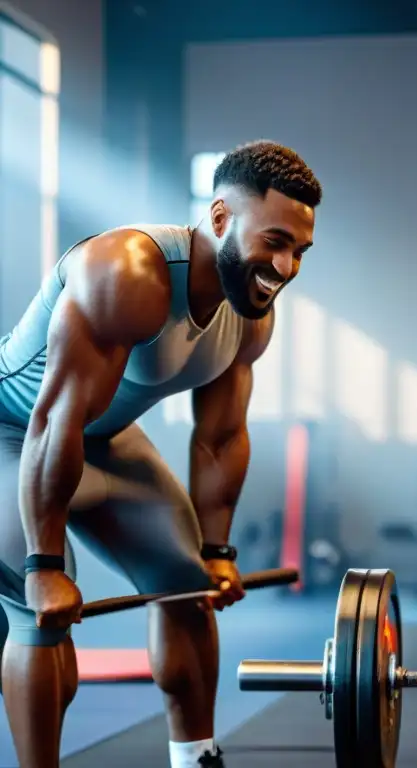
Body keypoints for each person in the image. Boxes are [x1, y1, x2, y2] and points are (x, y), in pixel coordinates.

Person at [0, 140, 321, 768]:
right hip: (15, 434)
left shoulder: (251, 313)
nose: (285, 267)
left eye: (300, 252)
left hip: (107, 442)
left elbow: (221, 437)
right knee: (39, 615)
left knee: (187, 586)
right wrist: (43, 566)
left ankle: (195, 757)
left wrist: (217, 552)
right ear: (223, 218)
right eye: (275, 242)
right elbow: (53, 417)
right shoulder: (127, 272)